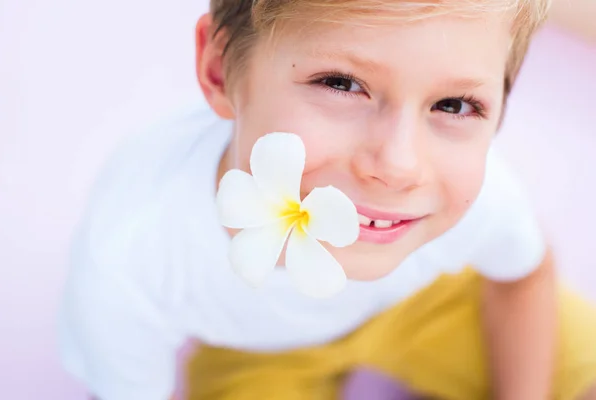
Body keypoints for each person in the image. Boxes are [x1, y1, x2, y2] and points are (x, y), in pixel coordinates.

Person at [58, 0, 596, 399]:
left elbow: (523, 274)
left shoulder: (465, 201)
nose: (398, 166)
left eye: (453, 104)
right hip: (256, 352)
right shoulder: (133, 250)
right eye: (340, 83)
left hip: (429, 304)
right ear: (220, 69)